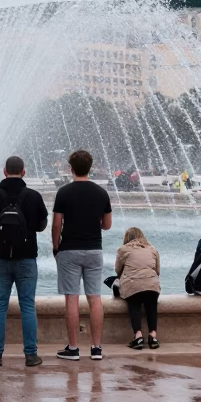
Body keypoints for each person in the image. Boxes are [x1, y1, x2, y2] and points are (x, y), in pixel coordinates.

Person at [0, 156, 48, 367]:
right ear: (24, 172)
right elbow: (42, 225)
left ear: (4, 171)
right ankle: (31, 355)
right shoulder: (33, 196)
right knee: (28, 305)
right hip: (26, 258)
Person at [52, 149, 112, 361]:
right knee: (95, 298)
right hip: (94, 249)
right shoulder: (101, 193)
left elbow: (57, 223)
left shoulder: (64, 192)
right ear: (91, 168)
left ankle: (74, 348)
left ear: (71, 169)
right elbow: (107, 225)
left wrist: (55, 246)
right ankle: (96, 348)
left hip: (69, 249)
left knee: (72, 298)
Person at [114, 226, 161, 349]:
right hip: (152, 285)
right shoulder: (153, 249)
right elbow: (157, 270)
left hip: (133, 285)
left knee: (134, 304)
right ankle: (153, 336)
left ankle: (138, 336)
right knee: (152, 305)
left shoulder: (123, 249)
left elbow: (117, 270)